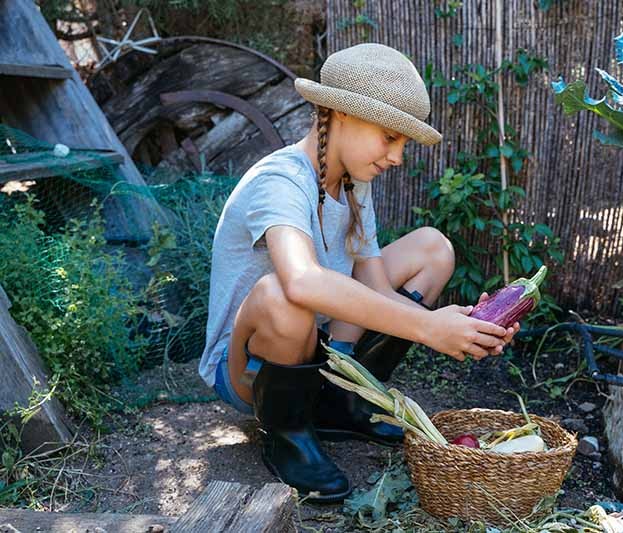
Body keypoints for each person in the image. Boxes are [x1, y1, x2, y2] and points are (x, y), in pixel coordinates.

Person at [198, 42, 520, 502]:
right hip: (249, 368)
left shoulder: (352, 183)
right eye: (390, 137)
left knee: (433, 249)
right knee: (283, 293)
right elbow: (303, 281)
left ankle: (341, 402)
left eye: (403, 144)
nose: (397, 157)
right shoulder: (280, 180)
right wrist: (428, 327)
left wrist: (460, 324)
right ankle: (286, 433)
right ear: (339, 114)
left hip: (318, 343)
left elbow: (374, 287)